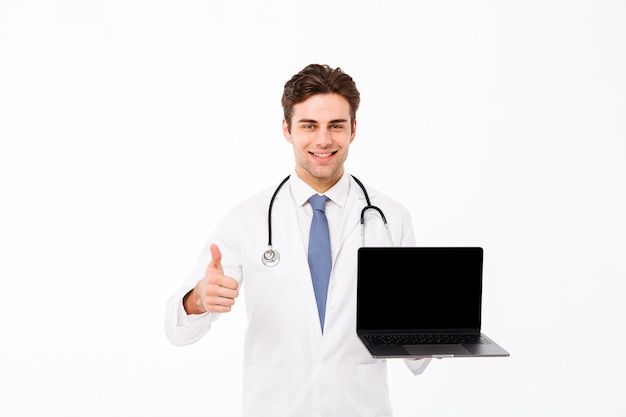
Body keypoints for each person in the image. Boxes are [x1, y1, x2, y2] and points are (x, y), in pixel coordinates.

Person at [165, 64, 431, 417]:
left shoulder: (390, 217)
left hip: (360, 407)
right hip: (276, 407)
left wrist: (434, 333)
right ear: (287, 130)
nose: (323, 140)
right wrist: (199, 298)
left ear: (353, 130)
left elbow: (414, 348)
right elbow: (176, 329)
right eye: (309, 126)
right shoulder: (247, 218)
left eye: (336, 125)